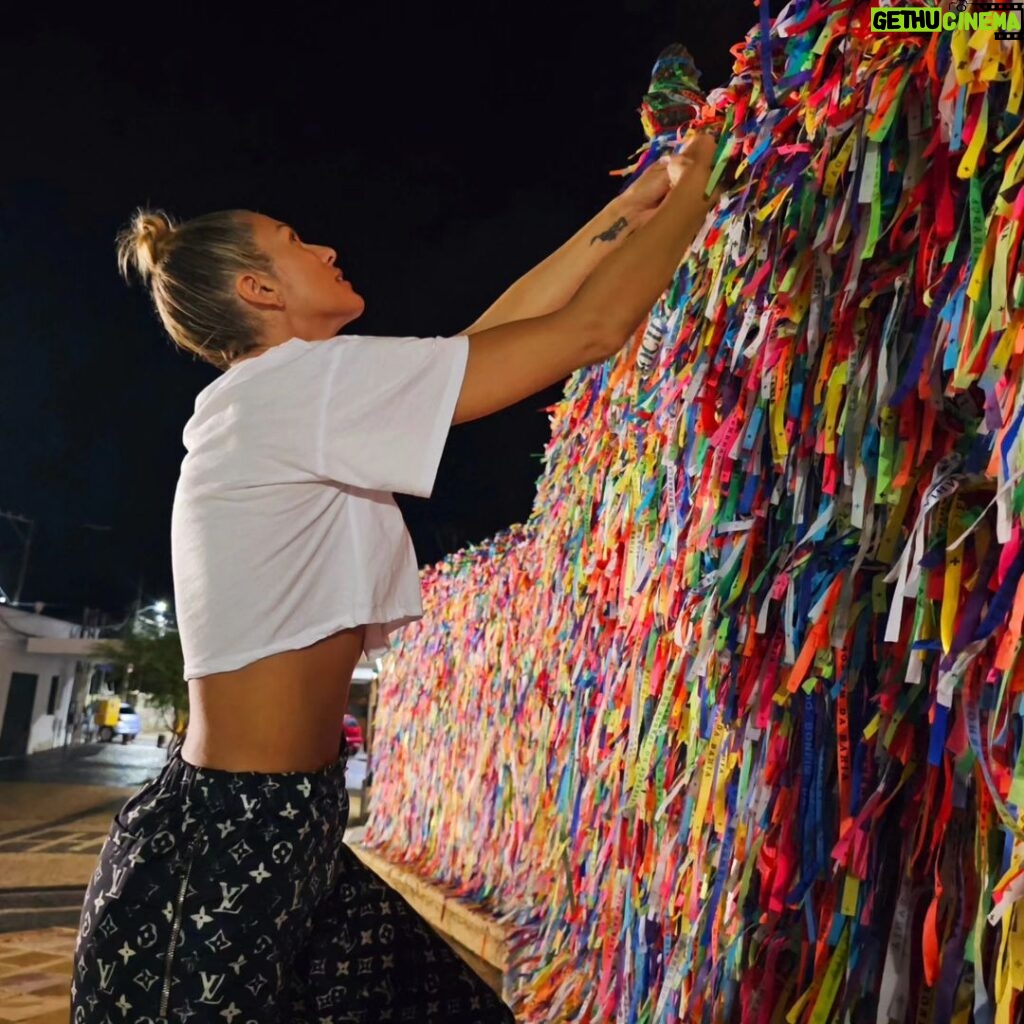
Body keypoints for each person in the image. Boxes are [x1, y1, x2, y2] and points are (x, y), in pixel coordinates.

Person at [71, 134, 720, 1023]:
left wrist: (637, 202)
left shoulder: (291, 396)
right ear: (259, 291)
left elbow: (491, 342)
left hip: (285, 824)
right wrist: (717, 166)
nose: (326, 248)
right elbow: (588, 332)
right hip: (225, 845)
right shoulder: (292, 391)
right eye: (296, 240)